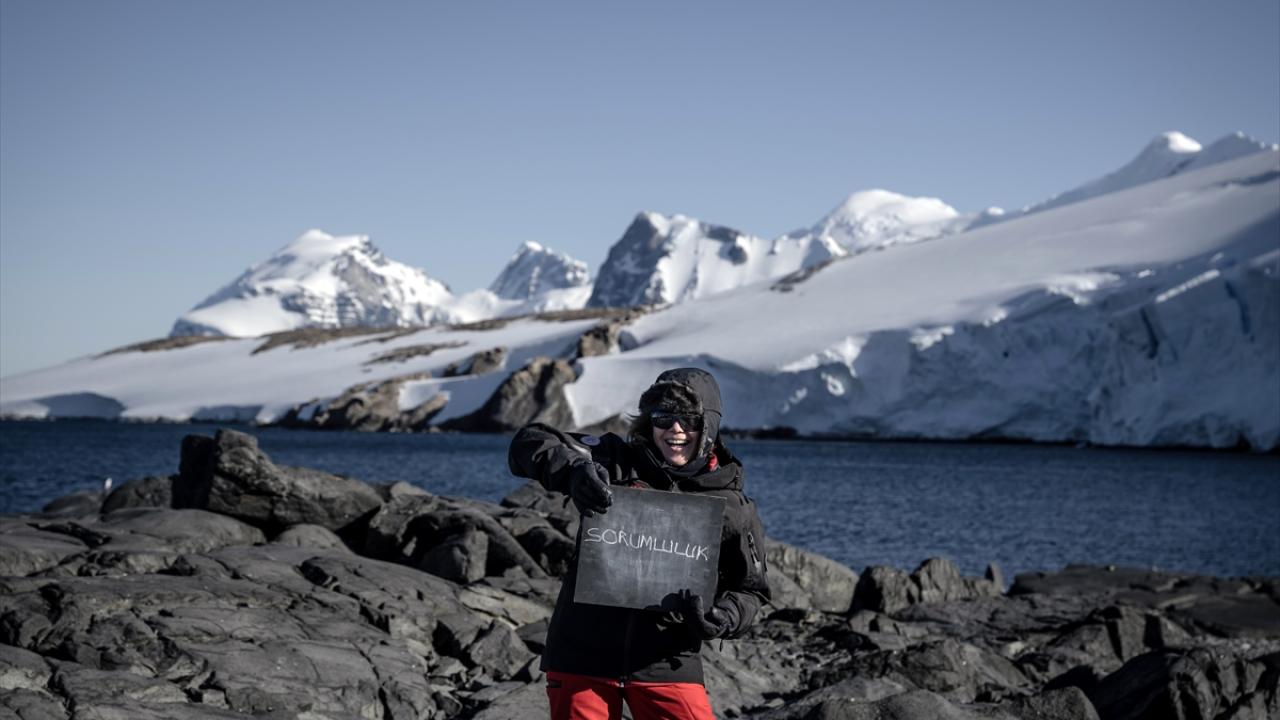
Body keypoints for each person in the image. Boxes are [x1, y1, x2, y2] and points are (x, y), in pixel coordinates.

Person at [508, 367, 770, 720]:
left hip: (667, 662)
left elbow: (751, 590)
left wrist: (723, 617)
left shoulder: (732, 504)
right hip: (581, 658)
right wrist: (573, 471)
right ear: (650, 420)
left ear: (709, 425)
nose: (676, 429)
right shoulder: (612, 461)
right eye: (663, 417)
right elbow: (528, 442)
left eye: (689, 419)